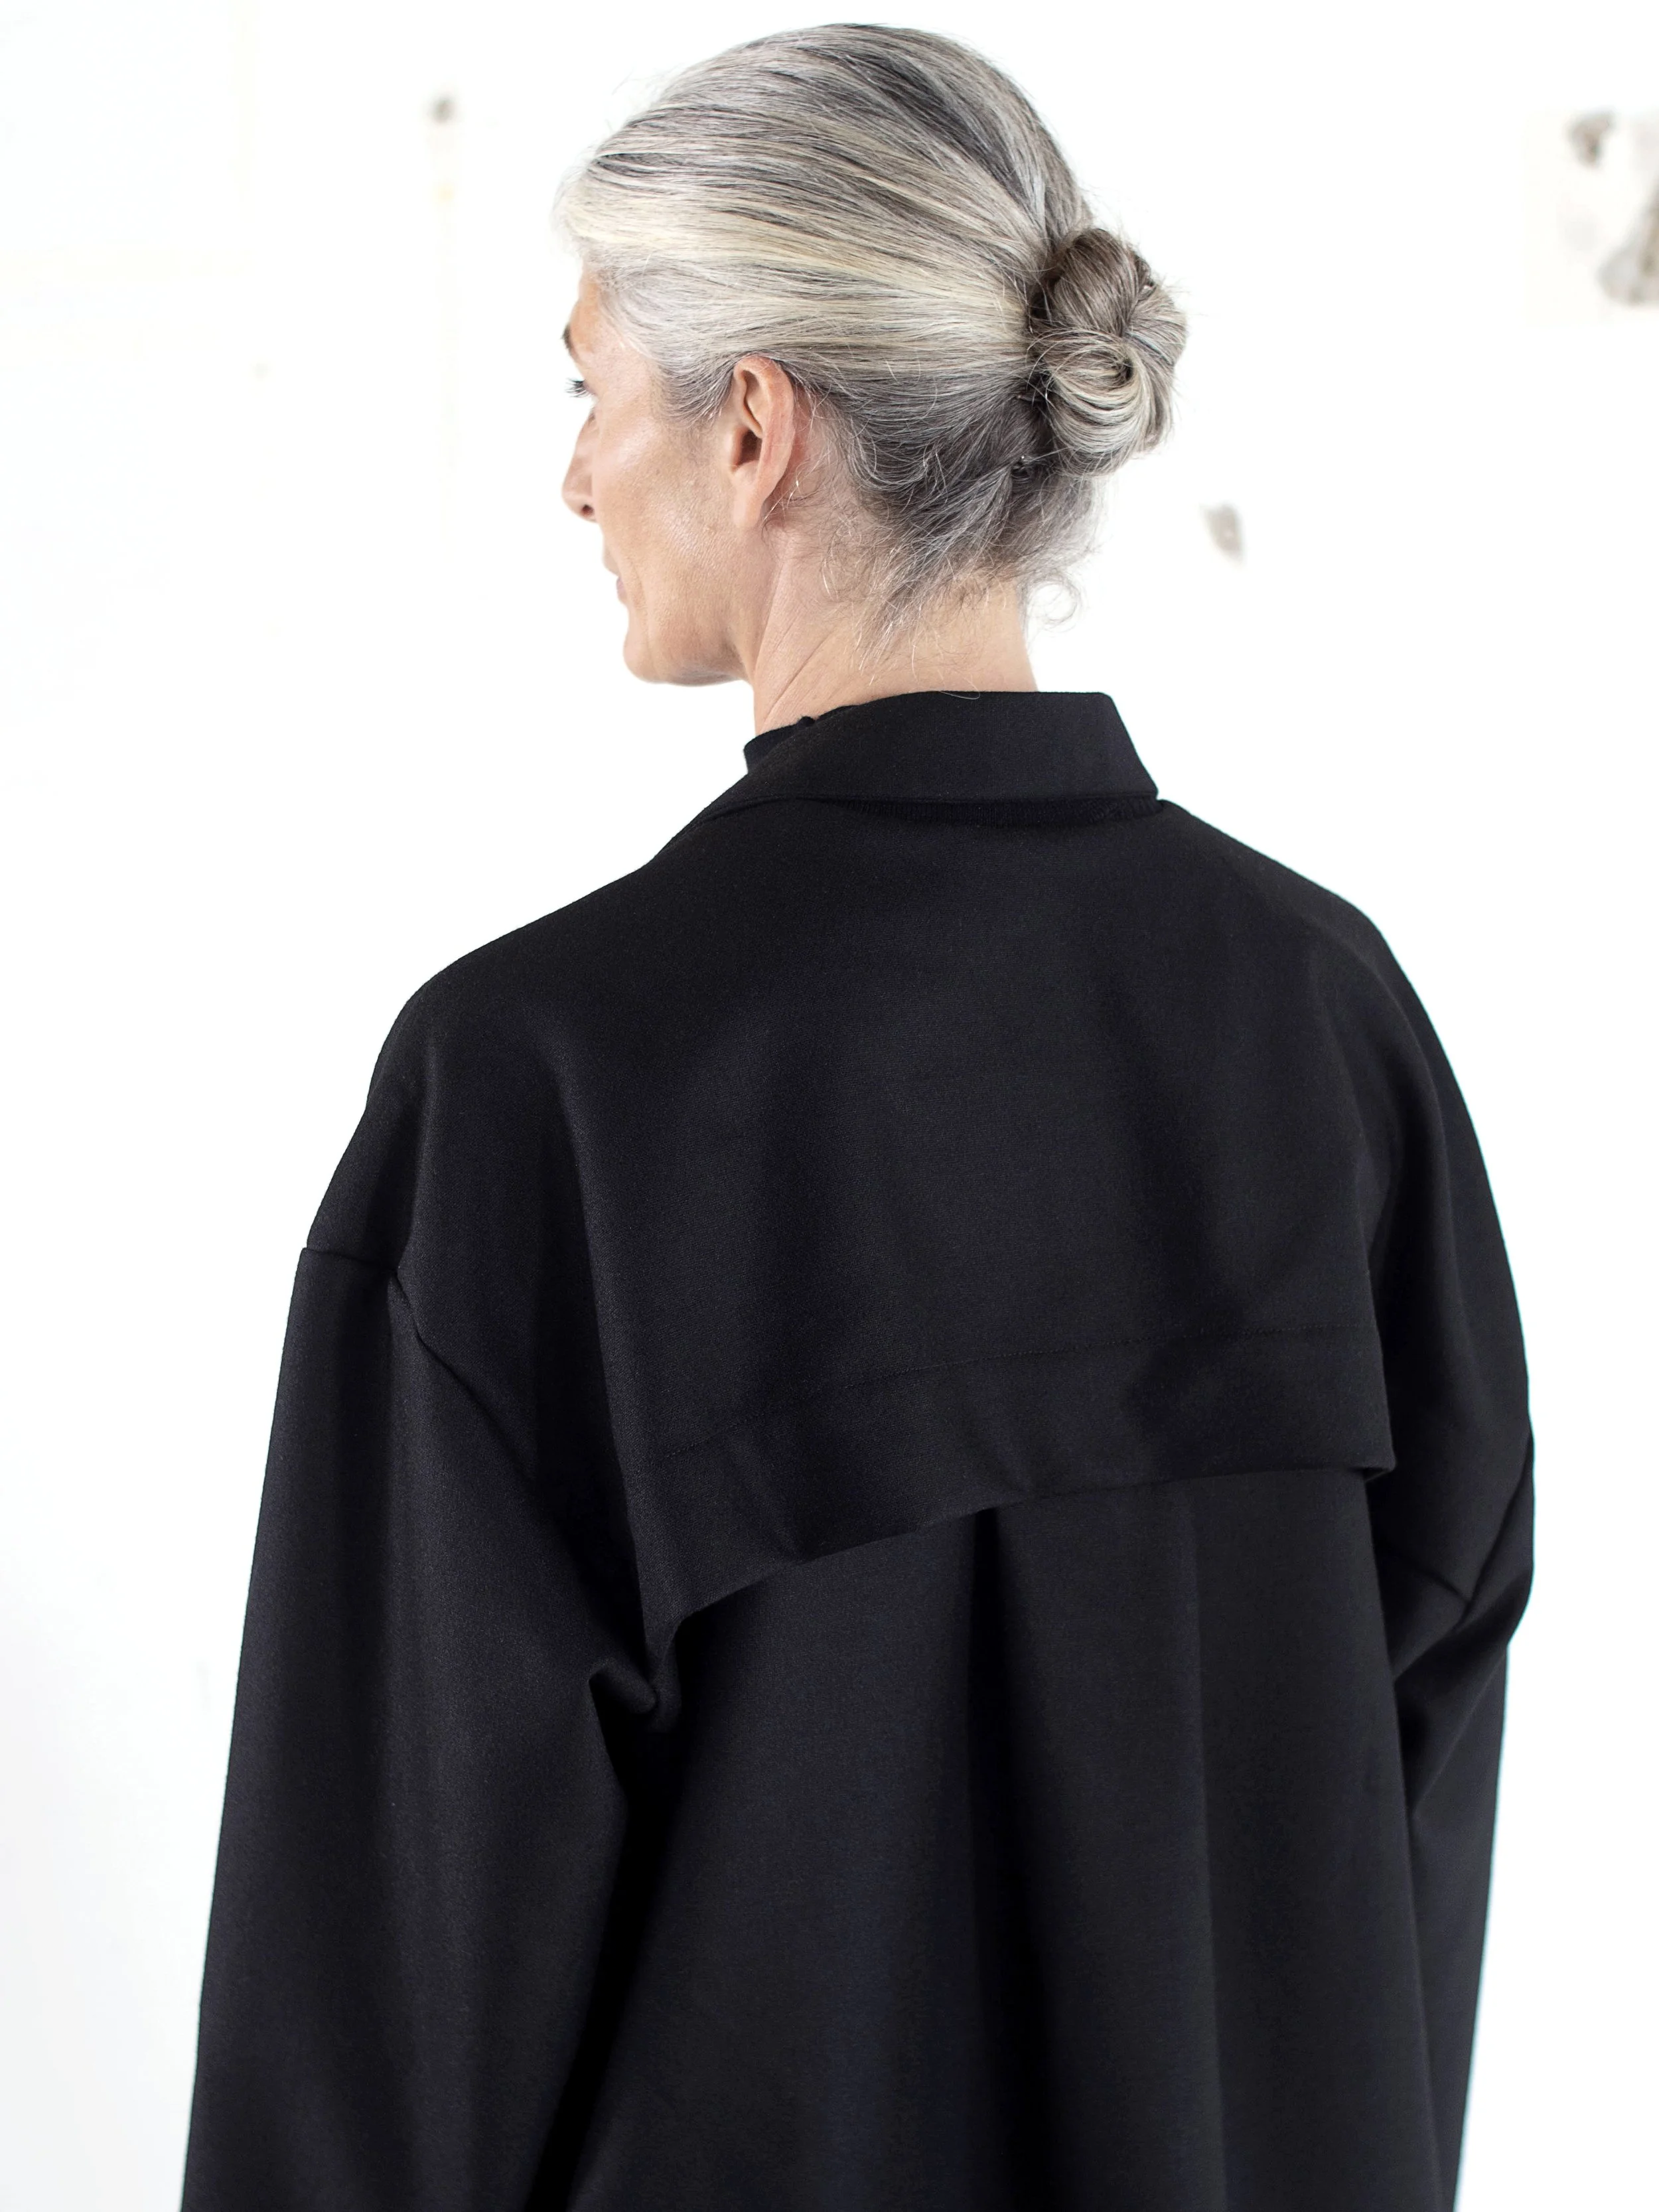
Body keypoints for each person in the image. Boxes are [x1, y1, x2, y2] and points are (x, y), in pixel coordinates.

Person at [180, 26, 1532, 2212]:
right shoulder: (1322, 1023)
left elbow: (376, 2020)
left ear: (751, 423)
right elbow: (1403, 1847)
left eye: (588, 389)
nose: (574, 477)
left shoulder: (547, 1082)